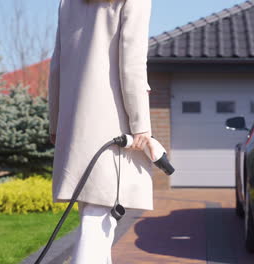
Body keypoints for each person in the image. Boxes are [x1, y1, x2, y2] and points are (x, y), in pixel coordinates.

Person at [47, 0, 156, 263]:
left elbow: (56, 66)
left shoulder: (68, 2)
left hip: (76, 124)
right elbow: (132, 64)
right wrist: (141, 124)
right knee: (98, 220)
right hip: (113, 123)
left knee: (95, 214)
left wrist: (55, 123)